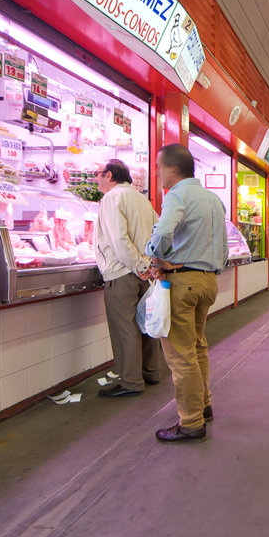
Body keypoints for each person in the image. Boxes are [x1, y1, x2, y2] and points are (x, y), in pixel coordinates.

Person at [145, 144, 228, 442]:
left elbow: (163, 232)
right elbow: (224, 246)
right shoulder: (214, 199)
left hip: (182, 282)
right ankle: (203, 405)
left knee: (181, 356)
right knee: (197, 347)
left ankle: (191, 422)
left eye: (158, 167)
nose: (157, 174)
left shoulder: (177, 195)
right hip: (207, 282)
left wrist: (155, 259)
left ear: (172, 169)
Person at [92, 159, 161, 398]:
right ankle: (151, 371)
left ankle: (130, 381)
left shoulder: (112, 198)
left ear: (109, 176)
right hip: (143, 273)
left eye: (98, 174)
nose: (96, 179)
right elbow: (157, 232)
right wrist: (147, 265)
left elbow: (118, 240)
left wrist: (138, 265)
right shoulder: (142, 199)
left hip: (122, 272)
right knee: (146, 324)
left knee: (125, 328)